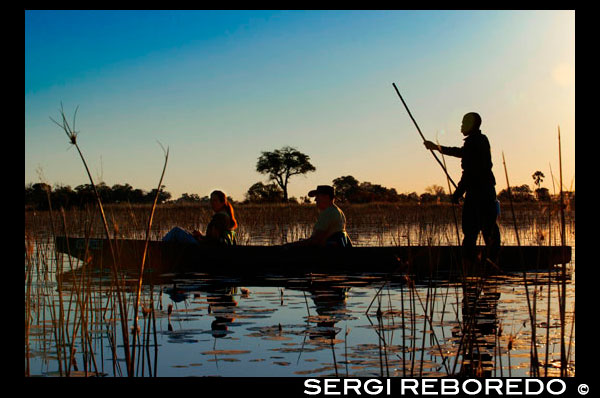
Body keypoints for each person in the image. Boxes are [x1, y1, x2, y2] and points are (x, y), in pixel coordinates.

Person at [423, 112, 500, 265]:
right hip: (486, 192)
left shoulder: (475, 142)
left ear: (472, 125)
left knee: (473, 232)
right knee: (488, 231)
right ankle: (491, 264)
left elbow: (469, 172)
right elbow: (463, 155)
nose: (461, 126)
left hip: (478, 194)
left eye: (464, 123)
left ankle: (472, 266)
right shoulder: (478, 141)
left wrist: (457, 194)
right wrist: (437, 148)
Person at [162, 190, 238, 245]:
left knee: (176, 231)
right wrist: (200, 236)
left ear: (222, 202)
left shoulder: (220, 217)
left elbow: (214, 241)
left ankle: (159, 248)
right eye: (211, 200)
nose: (212, 203)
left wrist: (200, 239)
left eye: (215, 200)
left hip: (205, 249)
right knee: (184, 233)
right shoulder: (227, 216)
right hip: (208, 246)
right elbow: (214, 238)